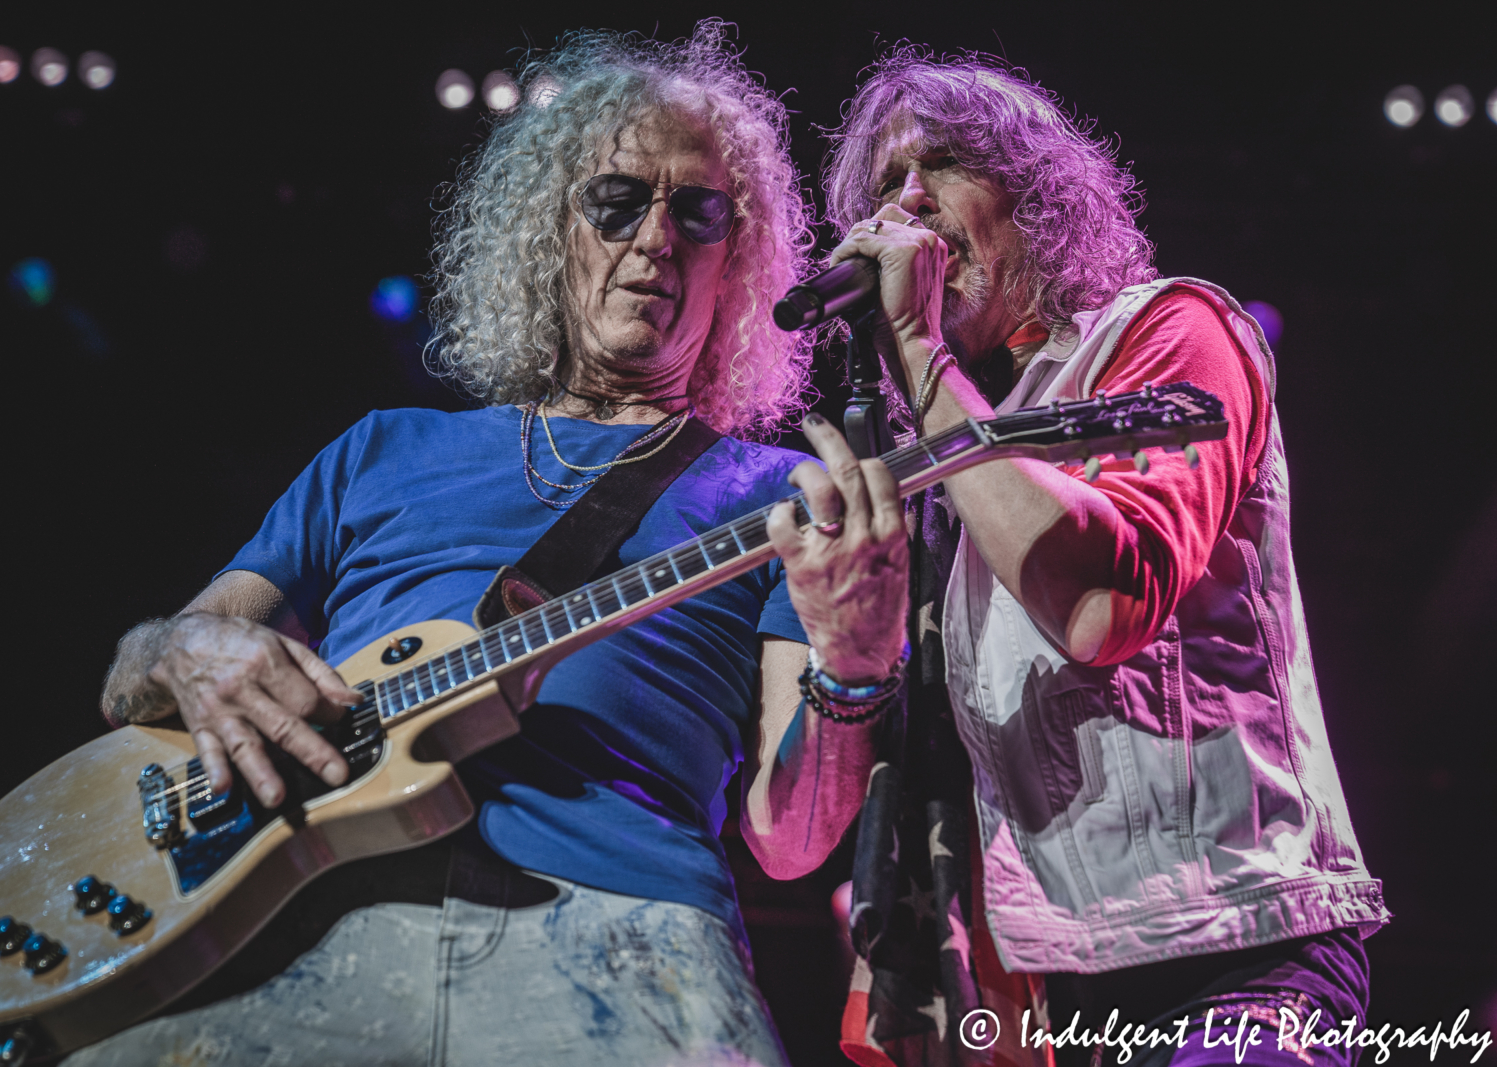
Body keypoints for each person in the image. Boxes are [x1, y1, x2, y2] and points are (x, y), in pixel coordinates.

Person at [76, 25, 907, 1067]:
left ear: (735, 259)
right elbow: (132, 687)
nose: (656, 237)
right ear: (552, 230)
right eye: (617, 201)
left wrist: (858, 666)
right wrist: (184, 649)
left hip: (624, 928)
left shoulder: (781, 494)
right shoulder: (385, 447)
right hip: (305, 903)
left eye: (697, 211)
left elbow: (790, 841)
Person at [787, 52, 1390, 1066]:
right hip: (1047, 998)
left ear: (1037, 198)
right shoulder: (938, 472)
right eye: (883, 186)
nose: (908, 203)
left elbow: (1105, 604)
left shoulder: (1168, 329)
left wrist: (916, 351)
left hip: (1239, 951)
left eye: (942, 163)